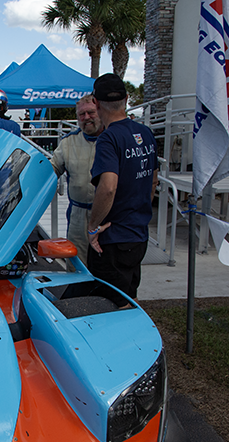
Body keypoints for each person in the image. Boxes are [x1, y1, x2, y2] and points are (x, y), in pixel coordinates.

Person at [87, 73, 158, 308]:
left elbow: (107, 188)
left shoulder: (109, 138)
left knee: (111, 304)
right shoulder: (145, 133)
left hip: (114, 239)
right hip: (138, 234)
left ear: (96, 103)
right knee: (129, 294)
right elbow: (153, 180)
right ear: (126, 99)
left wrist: (93, 227)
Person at [49, 94, 105, 265]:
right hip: (78, 216)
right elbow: (51, 170)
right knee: (76, 266)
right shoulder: (68, 142)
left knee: (106, 266)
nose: (86, 118)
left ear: (100, 112)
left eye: (90, 112)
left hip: (107, 214)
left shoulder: (113, 139)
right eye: (81, 114)